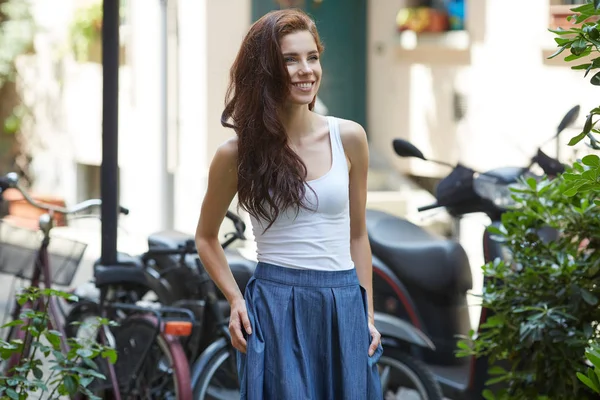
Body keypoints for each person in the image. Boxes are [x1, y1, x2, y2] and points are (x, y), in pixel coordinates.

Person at [195, 8, 383, 400]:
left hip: (342, 301)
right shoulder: (236, 154)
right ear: (265, 70)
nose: (306, 70)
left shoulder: (349, 137)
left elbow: (358, 234)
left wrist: (365, 314)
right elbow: (206, 237)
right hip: (275, 305)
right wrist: (235, 299)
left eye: (312, 57)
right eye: (290, 59)